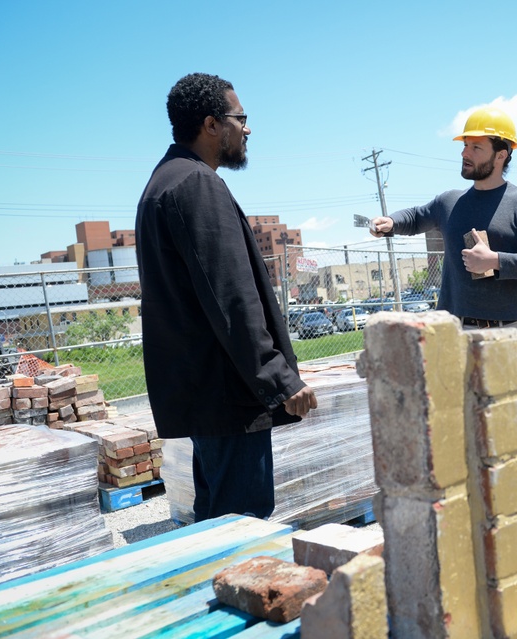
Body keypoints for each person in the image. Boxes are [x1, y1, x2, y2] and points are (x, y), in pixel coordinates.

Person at [136, 73, 317, 522]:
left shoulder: (163, 183)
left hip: (207, 396)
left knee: (217, 522)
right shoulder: (196, 186)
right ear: (212, 124)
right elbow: (231, 298)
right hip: (228, 397)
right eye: (241, 118)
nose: (248, 129)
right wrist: (280, 380)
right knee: (243, 526)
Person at [369, 106, 517, 363]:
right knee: (453, 405)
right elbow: (415, 217)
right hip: (453, 334)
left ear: (501, 154)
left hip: (508, 333)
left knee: (506, 405)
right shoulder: (450, 202)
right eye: (465, 145)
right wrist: (390, 222)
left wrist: (494, 261)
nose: (464, 153)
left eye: (475, 147)